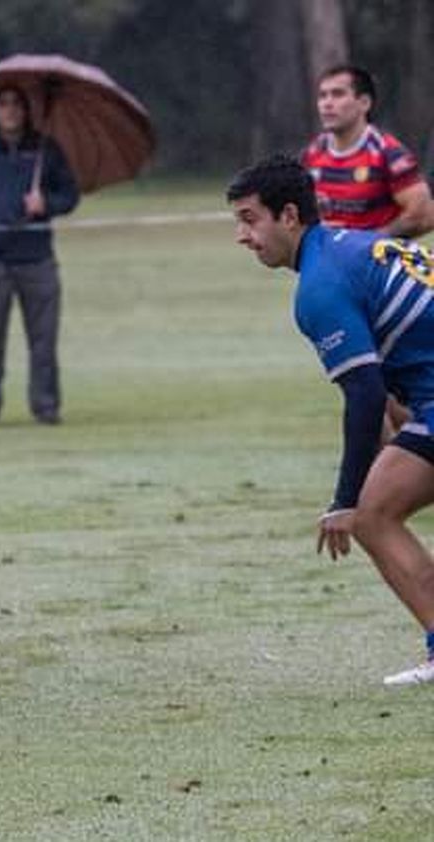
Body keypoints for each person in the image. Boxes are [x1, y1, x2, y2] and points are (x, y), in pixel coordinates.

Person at [228, 154, 434, 686]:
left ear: (289, 216)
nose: (241, 237)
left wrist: (346, 500)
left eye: (250, 220)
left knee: (373, 517)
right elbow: (386, 394)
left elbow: (363, 393)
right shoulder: (352, 245)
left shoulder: (318, 286)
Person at [0, 85, 79, 427]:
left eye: (16, 105)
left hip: (37, 258)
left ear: (26, 111)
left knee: (43, 339)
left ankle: (46, 404)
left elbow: (70, 195)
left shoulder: (45, 150)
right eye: (3, 104)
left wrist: (46, 205)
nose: (10, 111)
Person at [301, 65, 434, 238]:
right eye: (322, 96)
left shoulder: (388, 154)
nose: (327, 103)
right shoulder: (312, 154)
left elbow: (423, 215)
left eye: (338, 94)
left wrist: (370, 242)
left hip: (374, 262)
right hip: (328, 262)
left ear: (364, 103)